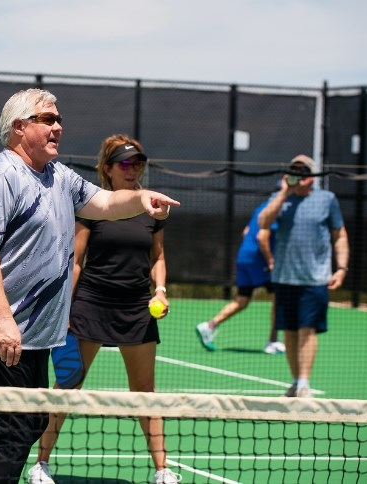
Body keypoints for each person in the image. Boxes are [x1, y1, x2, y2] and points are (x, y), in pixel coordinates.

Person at [0, 89, 179, 484]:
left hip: (34, 334)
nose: (58, 126)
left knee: (29, 422)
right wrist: (3, 319)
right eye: (47, 119)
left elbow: (104, 203)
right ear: (20, 127)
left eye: (58, 119)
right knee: (12, 436)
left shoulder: (59, 177)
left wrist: (141, 198)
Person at [27, 135, 181, 484]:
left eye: (138, 163)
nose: (133, 169)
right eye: (125, 163)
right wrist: (64, 308)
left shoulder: (152, 207)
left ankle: (163, 469)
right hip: (90, 306)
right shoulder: (92, 207)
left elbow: (157, 255)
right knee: (68, 383)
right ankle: (40, 464)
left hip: (136, 309)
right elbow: (76, 261)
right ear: (108, 169)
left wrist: (160, 289)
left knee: (145, 392)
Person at [258, 154, 349, 398]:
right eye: (294, 171)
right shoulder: (280, 199)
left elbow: (339, 235)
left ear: (312, 176)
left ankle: (304, 384)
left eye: (303, 171)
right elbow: (263, 223)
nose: (298, 175)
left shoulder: (327, 199)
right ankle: (296, 380)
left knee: (307, 329)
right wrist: (283, 194)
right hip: (285, 278)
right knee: (289, 331)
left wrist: (341, 268)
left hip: (315, 279)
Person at [196, 195, 284, 354]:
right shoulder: (277, 210)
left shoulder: (262, 207)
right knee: (280, 295)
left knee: (242, 299)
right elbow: (261, 237)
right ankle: (272, 341)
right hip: (259, 259)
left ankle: (209, 326)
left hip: (244, 256)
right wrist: (270, 260)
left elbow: (246, 232)